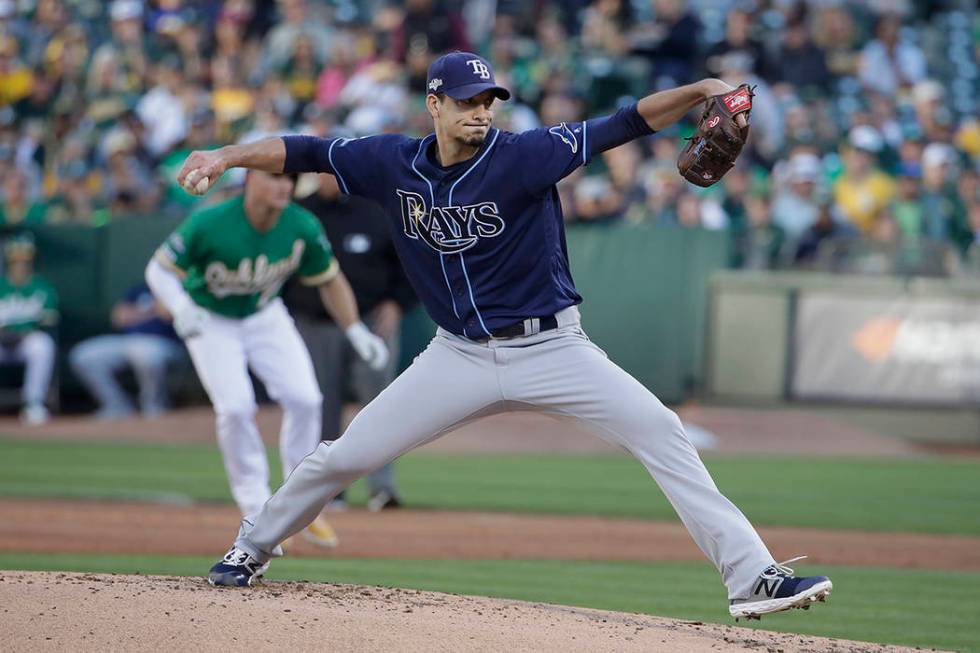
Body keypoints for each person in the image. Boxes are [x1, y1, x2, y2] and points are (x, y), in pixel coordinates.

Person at [184, 51, 832, 620]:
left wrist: (701, 90)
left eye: (488, 100)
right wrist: (225, 156)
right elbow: (305, 151)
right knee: (345, 456)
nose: (480, 112)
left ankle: (751, 576)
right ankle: (252, 545)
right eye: (467, 101)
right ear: (433, 104)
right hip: (456, 354)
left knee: (661, 430)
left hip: (553, 348)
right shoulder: (390, 162)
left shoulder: (525, 154)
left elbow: (628, 121)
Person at [144, 166, 389, 550]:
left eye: (289, 179)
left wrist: (355, 328)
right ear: (250, 181)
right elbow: (158, 270)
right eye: (274, 177)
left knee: (307, 399)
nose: (283, 185)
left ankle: (299, 501)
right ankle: (256, 505)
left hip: (264, 314)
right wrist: (178, 306)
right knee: (236, 407)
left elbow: (329, 277)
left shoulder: (300, 224)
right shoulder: (211, 221)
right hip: (211, 319)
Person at [284, 173, 417, 511]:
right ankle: (326, 492)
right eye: (323, 170)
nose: (331, 177)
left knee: (380, 407)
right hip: (316, 323)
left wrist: (398, 303)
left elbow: (411, 264)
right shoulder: (300, 213)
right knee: (320, 407)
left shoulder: (378, 210)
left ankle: (382, 489)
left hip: (372, 322)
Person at [69, 281, 184, 420]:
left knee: (144, 353)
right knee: (83, 356)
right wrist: (151, 311)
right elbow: (119, 317)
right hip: (128, 341)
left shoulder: (176, 288)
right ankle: (117, 405)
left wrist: (137, 312)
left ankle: (154, 406)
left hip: (164, 343)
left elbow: (166, 314)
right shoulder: (139, 288)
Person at [0, 233, 57, 425]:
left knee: (43, 345)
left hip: (26, 342)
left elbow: (50, 319)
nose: (20, 265)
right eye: (16, 261)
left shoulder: (42, 287)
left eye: (24, 261)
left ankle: (33, 403)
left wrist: (23, 331)